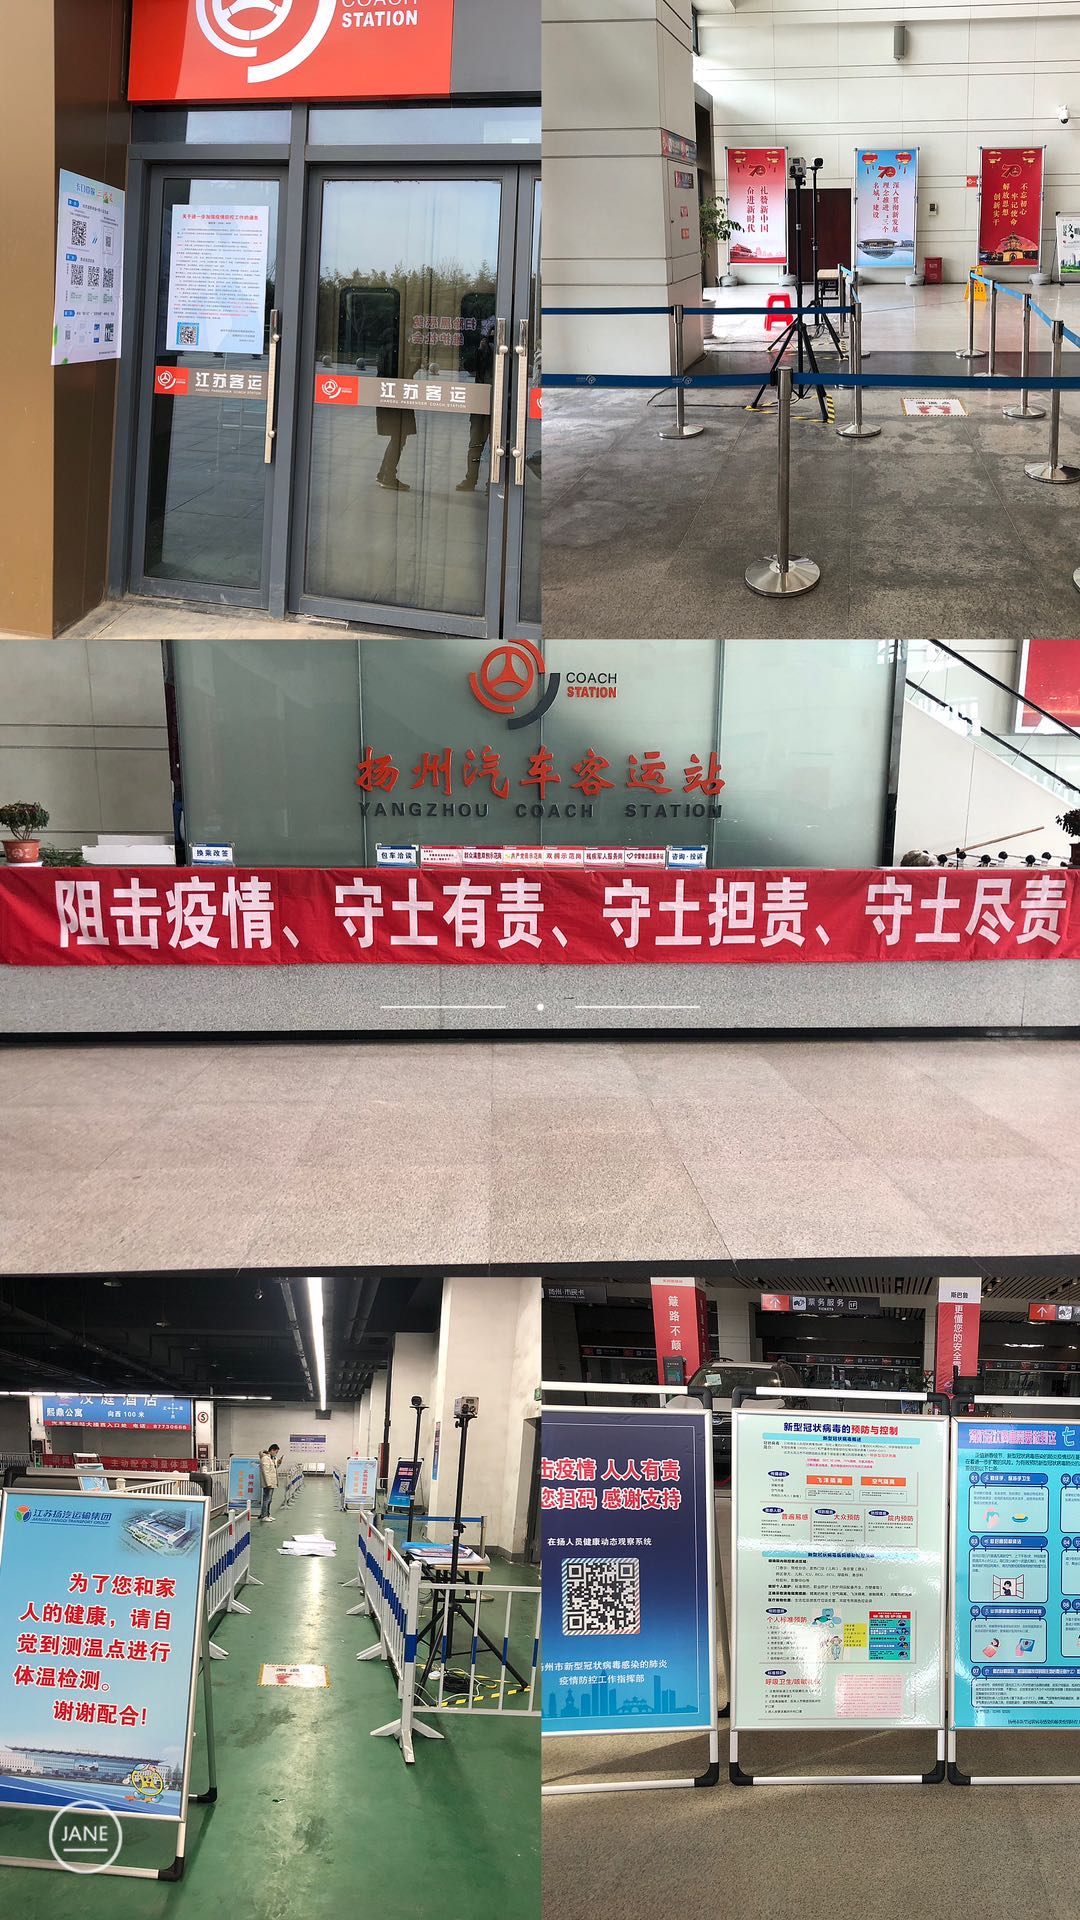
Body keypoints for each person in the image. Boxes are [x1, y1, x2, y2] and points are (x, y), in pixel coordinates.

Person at [259, 1443, 281, 1521]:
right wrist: (268, 1483)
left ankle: (267, 1514)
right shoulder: (265, 1458)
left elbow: (274, 1469)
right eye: (276, 1452)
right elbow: (266, 1472)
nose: (276, 1454)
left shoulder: (272, 1458)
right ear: (272, 1450)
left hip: (272, 1482)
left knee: (269, 1500)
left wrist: (278, 1462)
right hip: (268, 1483)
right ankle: (264, 1516)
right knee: (266, 1499)